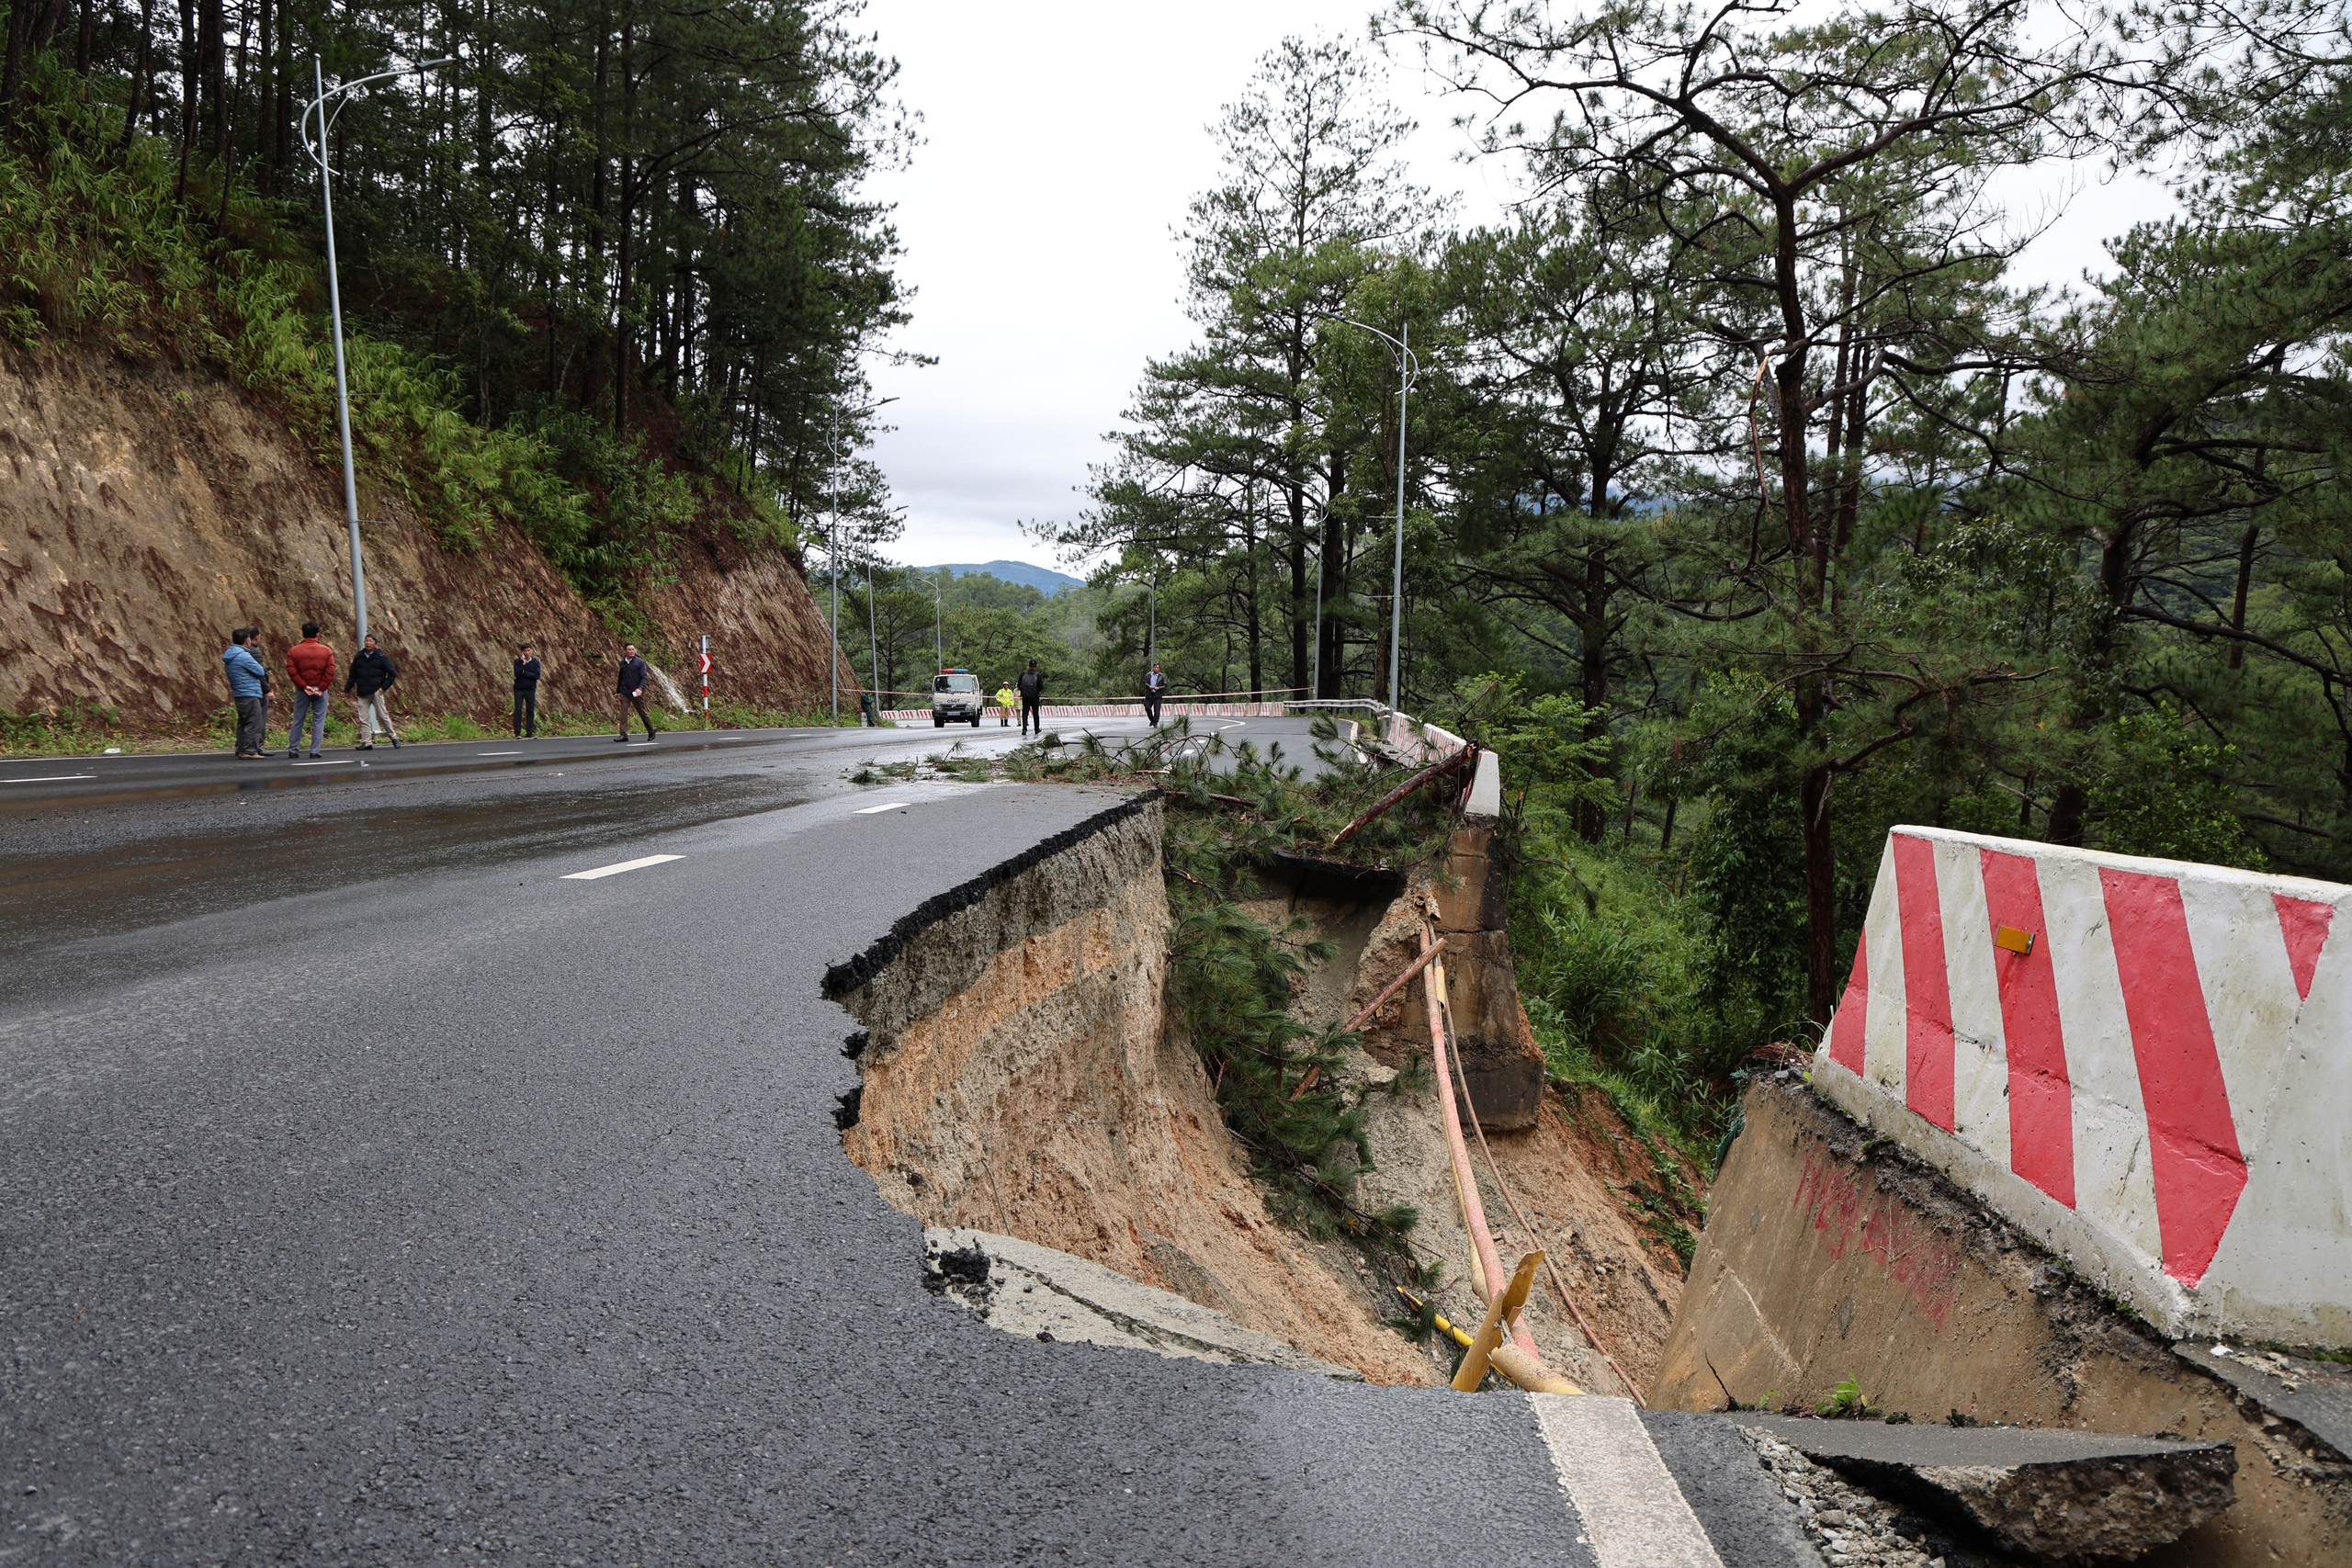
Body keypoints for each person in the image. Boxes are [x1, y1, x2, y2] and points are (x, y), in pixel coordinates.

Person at [285, 622, 337, 758]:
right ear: (318, 634)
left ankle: (293, 749)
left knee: (298, 719)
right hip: (320, 689)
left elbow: (292, 671)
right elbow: (330, 671)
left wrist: (304, 686)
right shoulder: (326, 651)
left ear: (302, 633)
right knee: (318, 720)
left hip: (303, 690)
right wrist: (320, 688)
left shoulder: (294, 651)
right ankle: (314, 751)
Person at [345, 634, 401, 750]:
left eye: (371, 641)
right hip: (362, 691)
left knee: (382, 715)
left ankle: (394, 737)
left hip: (376, 690)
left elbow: (392, 673)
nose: (368, 643)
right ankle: (367, 742)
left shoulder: (381, 657)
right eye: (366, 640)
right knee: (363, 718)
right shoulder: (359, 657)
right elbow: (353, 675)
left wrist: (383, 688)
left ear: (376, 643)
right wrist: (347, 688)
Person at [222, 627, 269, 759]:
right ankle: (249, 750)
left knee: (243, 722)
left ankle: (241, 748)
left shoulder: (231, 654)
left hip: (239, 693)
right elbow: (259, 671)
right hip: (249, 692)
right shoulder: (243, 655)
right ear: (248, 641)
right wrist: (265, 670)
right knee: (254, 722)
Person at [614, 642, 656, 743]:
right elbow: (621, 678)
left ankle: (651, 730)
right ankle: (623, 735)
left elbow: (644, 677)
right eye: (629, 649)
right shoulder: (622, 663)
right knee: (623, 714)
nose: (631, 651)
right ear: (625, 651)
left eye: (633, 649)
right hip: (624, 692)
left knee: (642, 712)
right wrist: (618, 691)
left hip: (636, 692)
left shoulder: (640, 662)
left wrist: (640, 688)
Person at [513, 643, 543, 737]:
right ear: (522, 652)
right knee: (518, 710)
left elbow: (537, 675)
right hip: (519, 689)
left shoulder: (536, 662)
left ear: (532, 651)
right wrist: (523, 664)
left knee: (530, 710)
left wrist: (525, 673)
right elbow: (517, 674)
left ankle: (529, 732)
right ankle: (517, 733)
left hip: (530, 689)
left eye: (529, 650)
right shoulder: (517, 662)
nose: (527, 652)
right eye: (525, 651)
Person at [1015, 659, 1045, 737]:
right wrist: (1036, 691)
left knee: (1025, 712)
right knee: (1035, 713)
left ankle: (1024, 729)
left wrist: (1024, 691)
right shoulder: (1038, 675)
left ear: (1029, 665)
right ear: (1036, 666)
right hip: (1034, 697)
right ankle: (1036, 729)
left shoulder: (1023, 674)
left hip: (1025, 696)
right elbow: (1041, 686)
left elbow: (1019, 685)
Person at [1144, 660, 1167, 726]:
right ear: (1153, 668)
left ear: (1159, 669)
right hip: (1149, 694)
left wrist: (1159, 688)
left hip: (1157, 695)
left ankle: (1155, 722)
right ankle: (1152, 720)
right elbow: (1145, 683)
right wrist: (1149, 686)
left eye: (1157, 667)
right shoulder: (1148, 675)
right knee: (1147, 707)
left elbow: (1165, 685)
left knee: (1157, 710)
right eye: (1155, 667)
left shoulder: (1162, 676)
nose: (1156, 668)